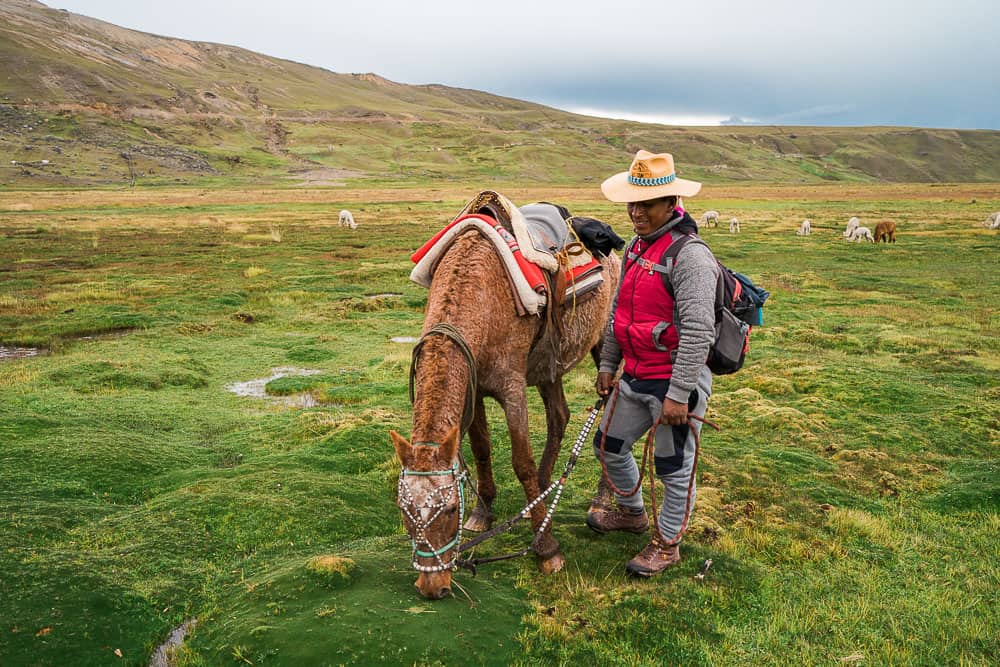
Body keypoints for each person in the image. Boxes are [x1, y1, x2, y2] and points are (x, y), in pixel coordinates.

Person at [587, 150, 719, 577]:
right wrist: (608, 362)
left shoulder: (691, 256)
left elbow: (699, 331)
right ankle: (631, 513)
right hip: (636, 375)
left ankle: (667, 544)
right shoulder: (638, 249)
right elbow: (618, 313)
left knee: (673, 466)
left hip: (674, 381)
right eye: (632, 202)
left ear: (671, 203)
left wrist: (680, 395)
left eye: (646, 203)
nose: (635, 211)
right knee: (609, 447)